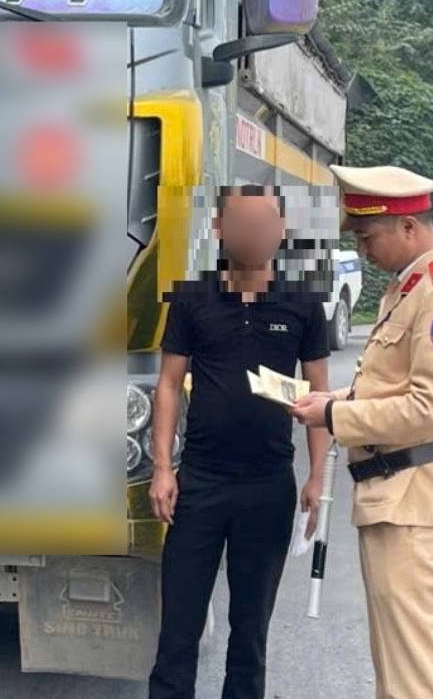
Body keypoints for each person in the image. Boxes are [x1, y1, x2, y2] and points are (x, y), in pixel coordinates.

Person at [293, 165, 433, 699]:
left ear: (408, 229)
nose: (364, 248)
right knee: (396, 667)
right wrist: (333, 400)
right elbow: (392, 386)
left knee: (416, 676)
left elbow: (432, 409)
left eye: (368, 236)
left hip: (415, 502)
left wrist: (334, 418)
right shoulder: (410, 288)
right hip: (394, 497)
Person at [147, 185, 331, 699]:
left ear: (281, 229)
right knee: (178, 629)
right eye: (242, 221)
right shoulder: (191, 298)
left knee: (250, 632)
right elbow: (167, 385)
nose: (255, 232)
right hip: (200, 484)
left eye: (265, 221)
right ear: (220, 228)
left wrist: (317, 476)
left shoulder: (303, 304)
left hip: (268, 486)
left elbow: (321, 395)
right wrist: (163, 468)